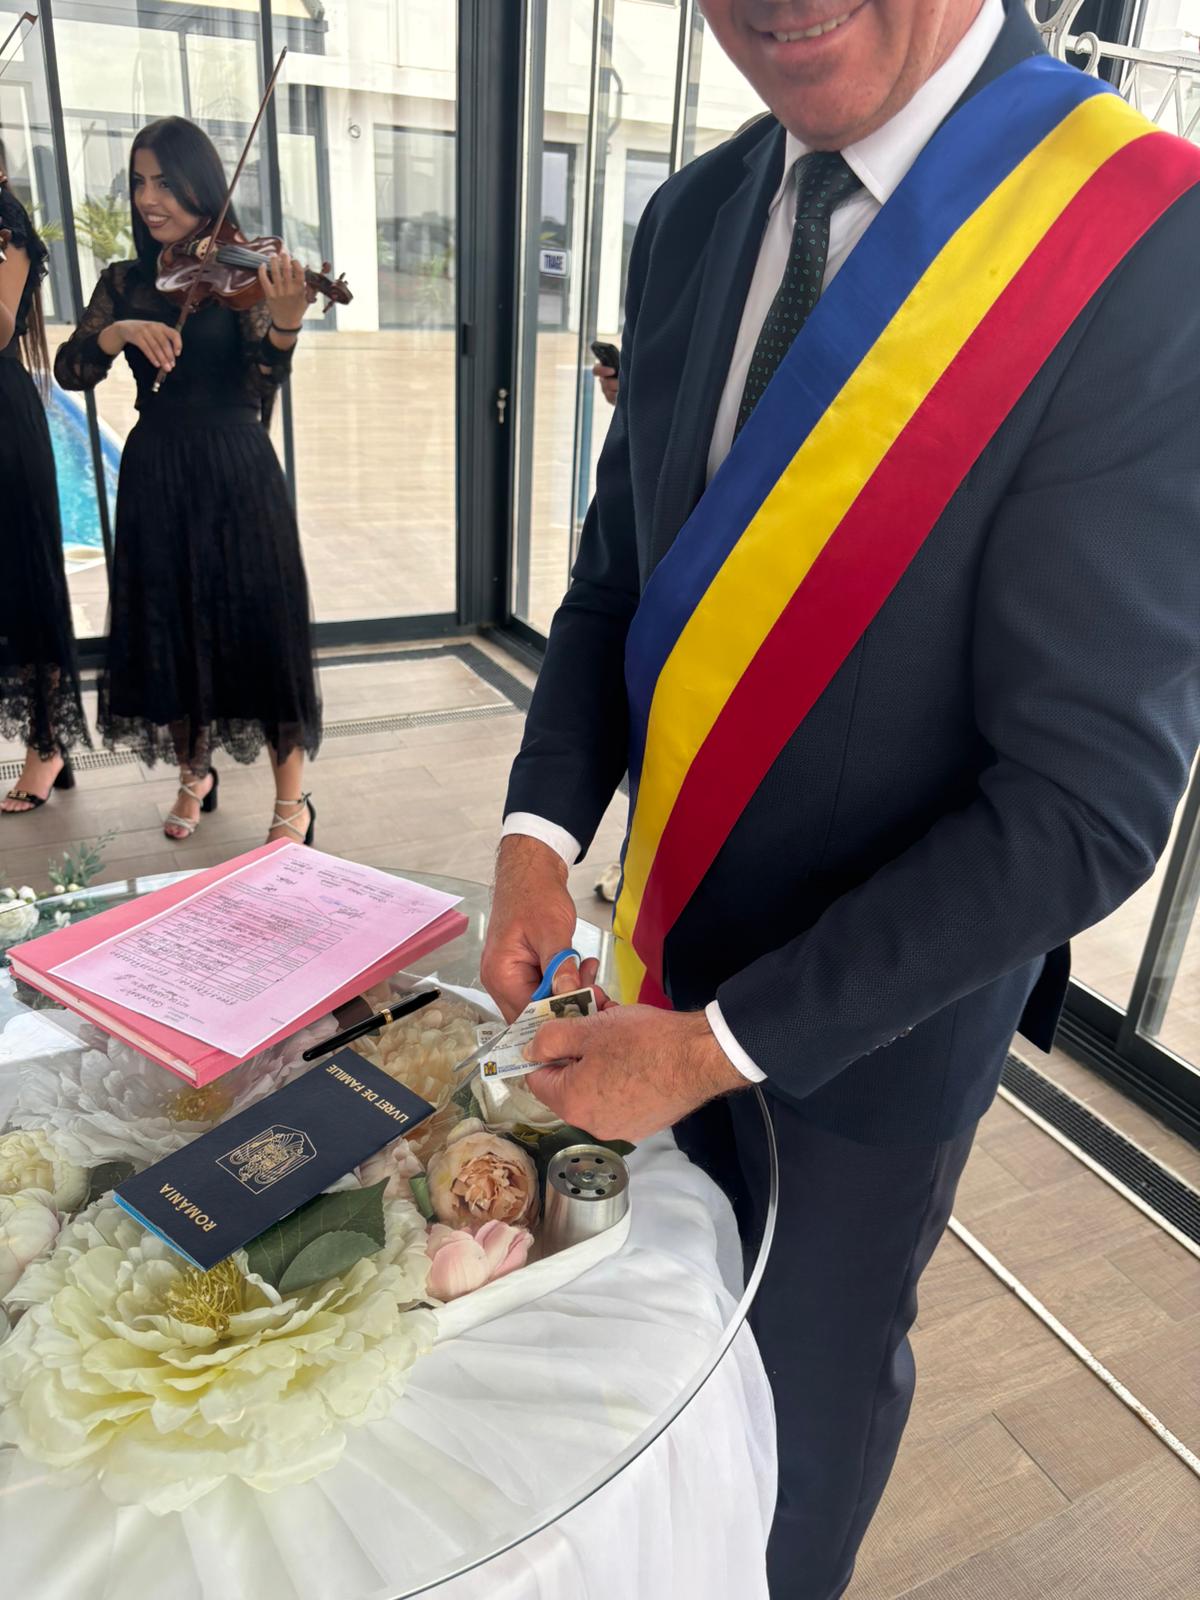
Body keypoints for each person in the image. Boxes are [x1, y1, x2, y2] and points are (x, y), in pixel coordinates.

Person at [481, 2, 1200, 1595]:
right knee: (634, 1362)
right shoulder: (691, 214)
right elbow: (618, 580)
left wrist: (716, 1046)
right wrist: (538, 838)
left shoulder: (1144, 242)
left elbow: (1087, 803)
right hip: (640, 955)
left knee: (792, 1426)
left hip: (872, 1044)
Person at [54, 117, 321, 845]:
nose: (149, 198)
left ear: (202, 186)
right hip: (156, 468)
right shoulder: (125, 281)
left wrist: (286, 324)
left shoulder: (247, 273)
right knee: (169, 622)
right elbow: (71, 369)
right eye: (140, 183)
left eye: (166, 183)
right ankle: (194, 772)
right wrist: (116, 333)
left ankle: (291, 801)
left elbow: (260, 385)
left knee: (261, 624)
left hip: (236, 465)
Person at [0, 150, 90, 813]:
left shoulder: (6, 220)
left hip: (2, 422)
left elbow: (1, 326)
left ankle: (47, 745)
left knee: (24, 586)